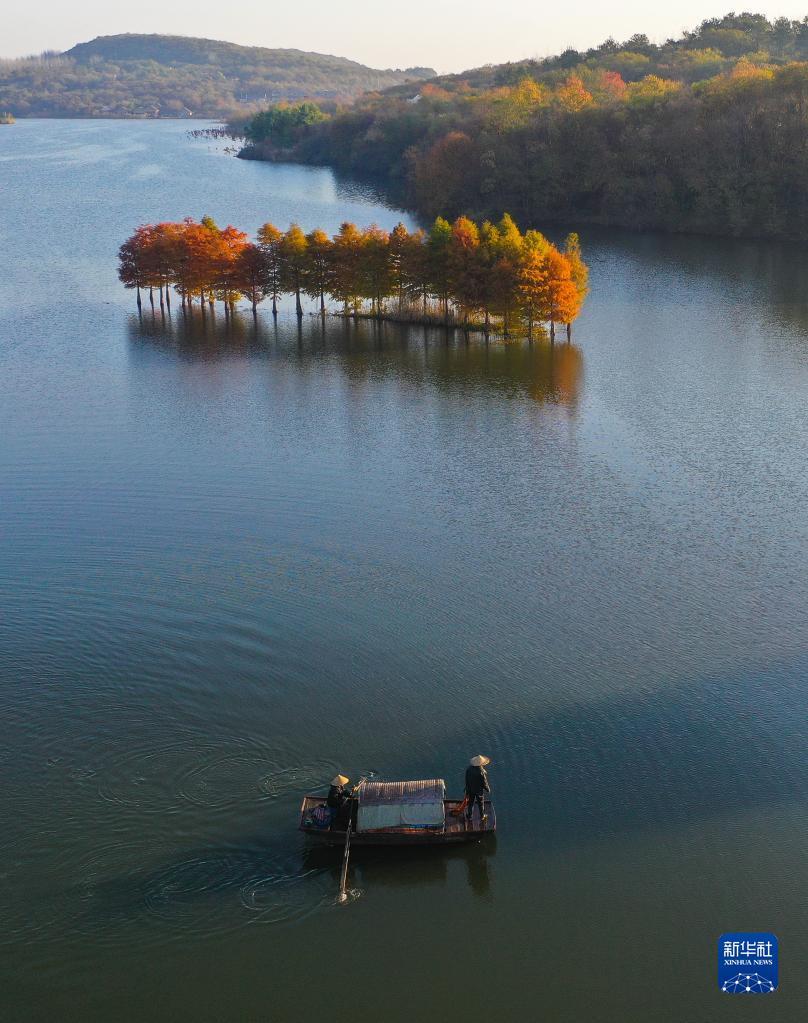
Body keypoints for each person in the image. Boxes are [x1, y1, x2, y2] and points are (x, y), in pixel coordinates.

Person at [464, 755, 491, 828]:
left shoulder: (468, 770)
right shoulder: (481, 772)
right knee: (480, 804)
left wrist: (467, 789)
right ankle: (482, 816)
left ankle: (469, 816)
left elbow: (466, 780)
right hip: (479, 791)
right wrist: (487, 789)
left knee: (470, 803)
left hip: (470, 790)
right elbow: (484, 783)